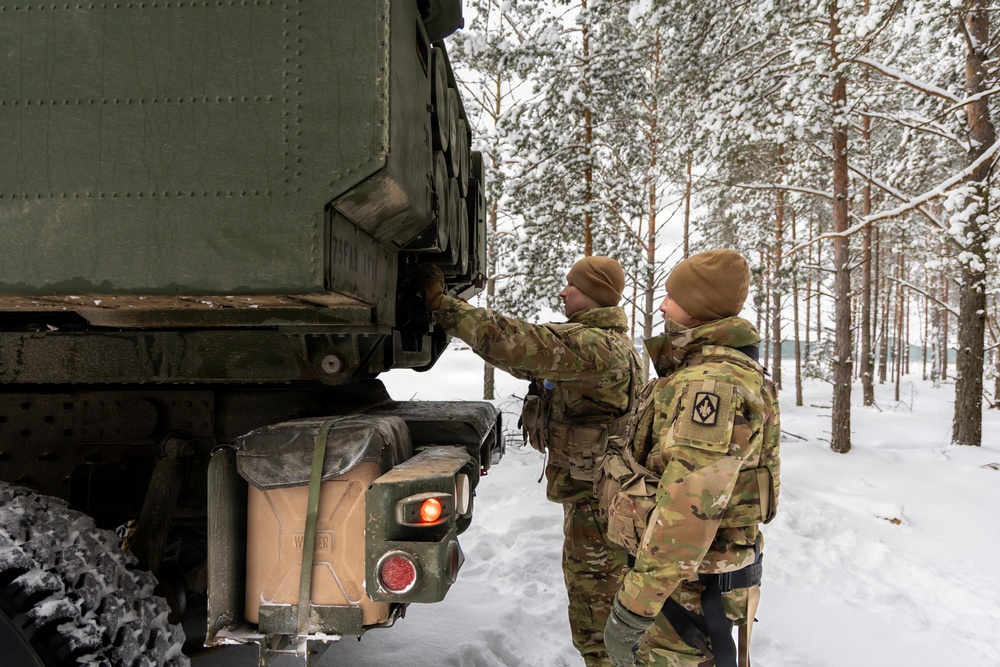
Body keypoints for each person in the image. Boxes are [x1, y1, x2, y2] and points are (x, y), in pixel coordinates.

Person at [419, 257, 644, 667]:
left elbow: (516, 341)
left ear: (593, 293)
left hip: (598, 506)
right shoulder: (609, 343)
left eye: (570, 286)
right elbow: (525, 358)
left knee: (596, 618)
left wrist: (442, 305)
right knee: (599, 608)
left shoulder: (592, 345)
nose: (563, 292)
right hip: (599, 497)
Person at [599, 249, 781, 667]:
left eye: (671, 296)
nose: (662, 306)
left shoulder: (713, 384)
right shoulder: (701, 370)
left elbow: (688, 510)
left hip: (690, 595)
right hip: (686, 587)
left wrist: (633, 609)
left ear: (699, 306)